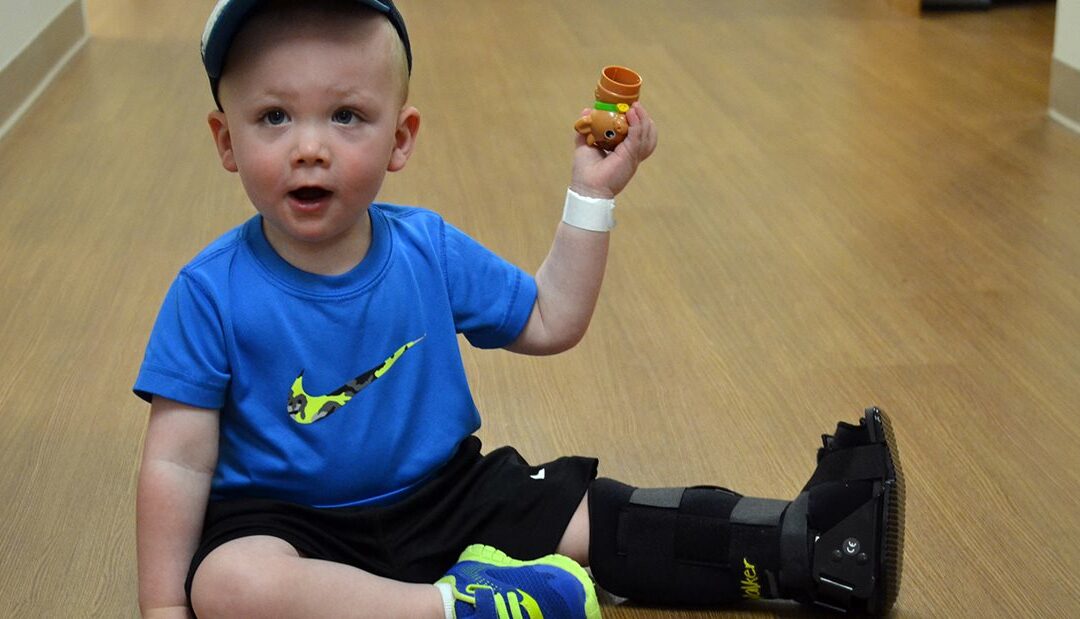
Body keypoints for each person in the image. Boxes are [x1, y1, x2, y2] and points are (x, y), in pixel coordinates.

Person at [133, 1, 904, 618]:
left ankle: (811, 544)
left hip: (447, 495)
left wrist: (591, 197)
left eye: (345, 116)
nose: (309, 147)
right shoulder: (208, 292)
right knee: (231, 584)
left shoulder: (427, 248)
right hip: (288, 523)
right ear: (225, 140)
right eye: (273, 117)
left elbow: (549, 319)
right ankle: (449, 607)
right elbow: (176, 458)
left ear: (400, 138)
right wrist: (164, 603)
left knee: (598, 518)